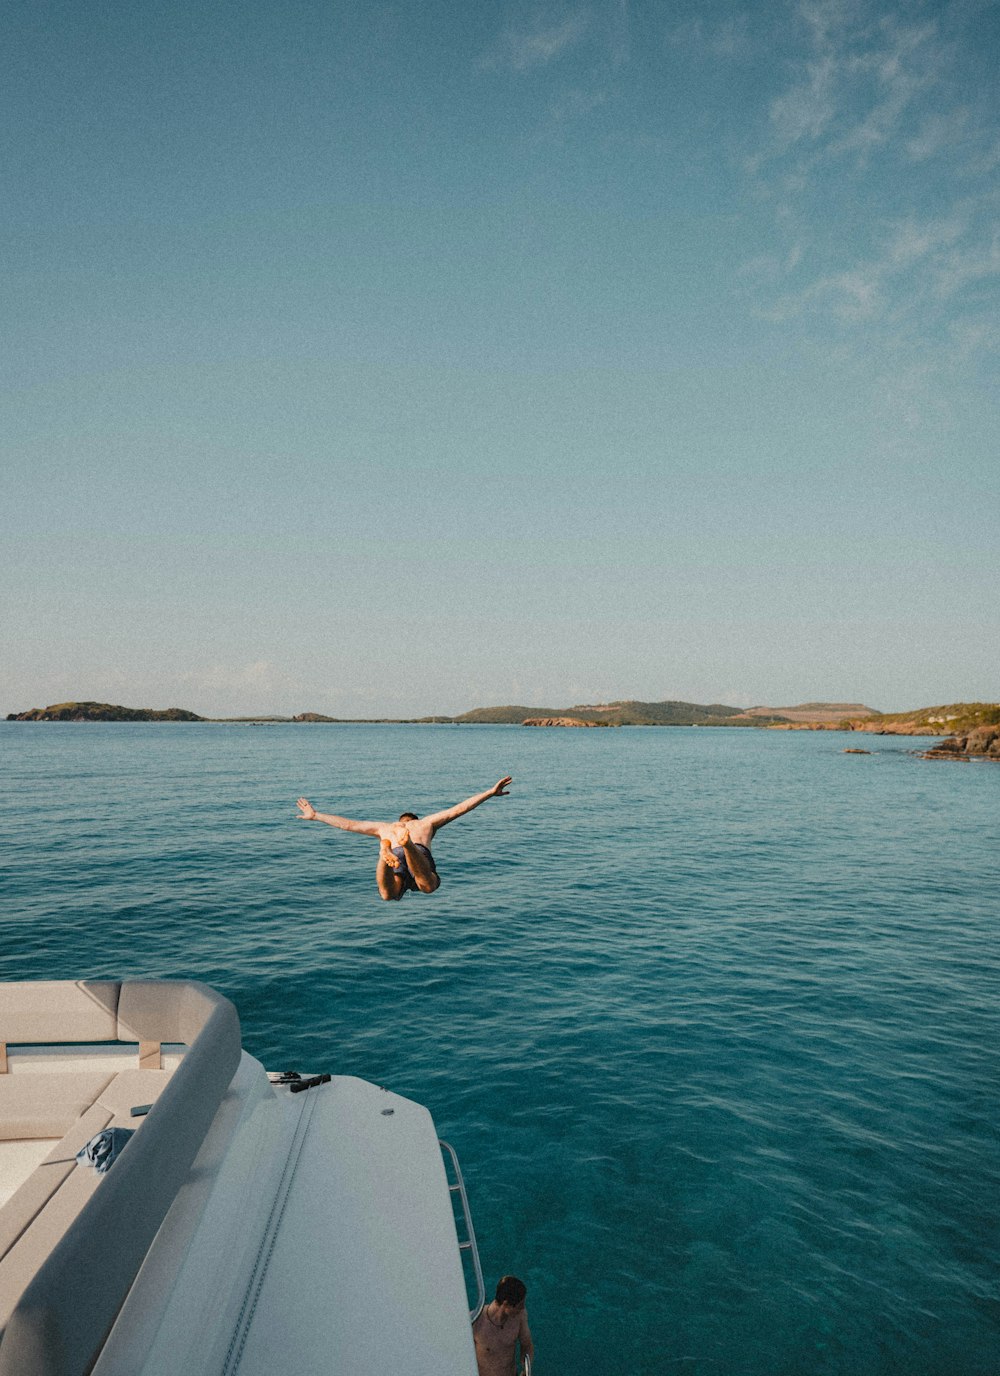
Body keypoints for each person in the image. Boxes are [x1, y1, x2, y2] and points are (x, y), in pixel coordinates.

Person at [296, 777, 512, 901]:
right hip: (417, 852)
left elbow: (349, 824)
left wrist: (316, 815)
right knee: (428, 885)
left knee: (388, 895)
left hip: (394, 849)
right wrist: (490, 793)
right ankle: (406, 844)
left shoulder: (387, 827)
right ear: (413, 821)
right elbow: (459, 809)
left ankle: (384, 852)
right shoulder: (425, 823)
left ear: (399, 821)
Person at [472, 1275, 534, 1376]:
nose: (523, 1308)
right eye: (520, 1305)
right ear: (506, 1304)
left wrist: (526, 1370)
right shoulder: (476, 1322)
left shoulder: (520, 1316)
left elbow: (527, 1344)